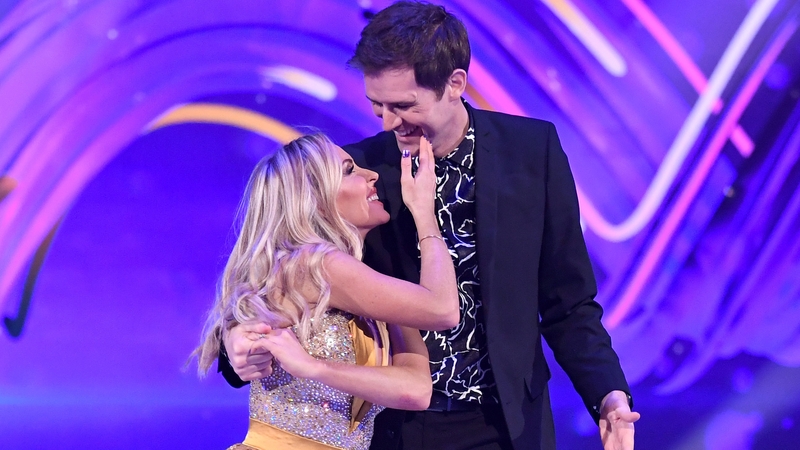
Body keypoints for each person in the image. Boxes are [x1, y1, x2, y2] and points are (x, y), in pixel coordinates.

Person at [221, 1, 641, 449]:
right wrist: (233, 345)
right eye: (377, 105)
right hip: (394, 428)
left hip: (506, 424)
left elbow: (569, 302)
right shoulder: (359, 172)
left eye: (403, 105)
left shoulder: (531, 151)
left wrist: (608, 395)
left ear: (455, 84)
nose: (387, 121)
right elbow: (274, 273)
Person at [195, 133, 459, 449]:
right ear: (315, 200)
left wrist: (319, 369)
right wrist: (426, 217)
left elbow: (416, 390)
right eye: (349, 171)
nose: (371, 175)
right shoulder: (317, 264)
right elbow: (443, 310)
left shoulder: (362, 280)